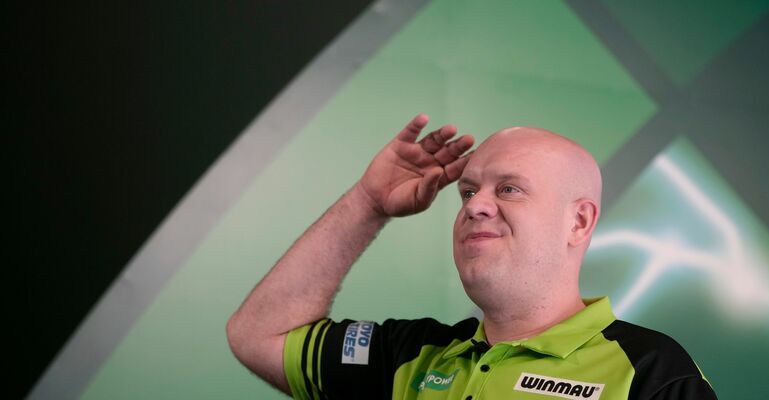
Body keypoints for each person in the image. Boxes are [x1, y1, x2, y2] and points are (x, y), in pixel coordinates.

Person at [226, 114, 717, 399]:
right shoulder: (411, 356)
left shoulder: (652, 372)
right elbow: (258, 336)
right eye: (466, 193)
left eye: (509, 189)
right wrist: (368, 204)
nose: (476, 205)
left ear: (579, 222)